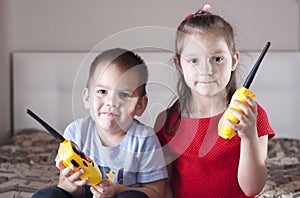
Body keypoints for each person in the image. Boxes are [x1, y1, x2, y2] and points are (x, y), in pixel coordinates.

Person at [154, 4, 275, 198]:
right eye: (194, 60)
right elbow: (163, 186)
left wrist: (249, 135)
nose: (207, 71)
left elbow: (252, 188)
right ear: (179, 64)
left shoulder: (253, 116)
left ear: (234, 60)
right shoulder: (167, 122)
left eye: (217, 59)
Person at [33, 48, 168, 198]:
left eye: (124, 95)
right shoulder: (76, 132)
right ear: (87, 98)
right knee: (50, 194)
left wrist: (117, 190)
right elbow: (66, 189)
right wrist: (71, 184)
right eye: (102, 92)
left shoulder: (144, 139)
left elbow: (157, 193)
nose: (111, 102)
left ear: (140, 105)